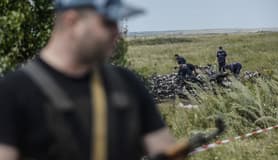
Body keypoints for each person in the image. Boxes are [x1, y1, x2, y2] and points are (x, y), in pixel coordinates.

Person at [0, 0, 178, 160]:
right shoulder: (13, 92)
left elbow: (165, 148)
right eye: (107, 22)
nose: (117, 32)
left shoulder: (127, 84)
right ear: (72, 21)